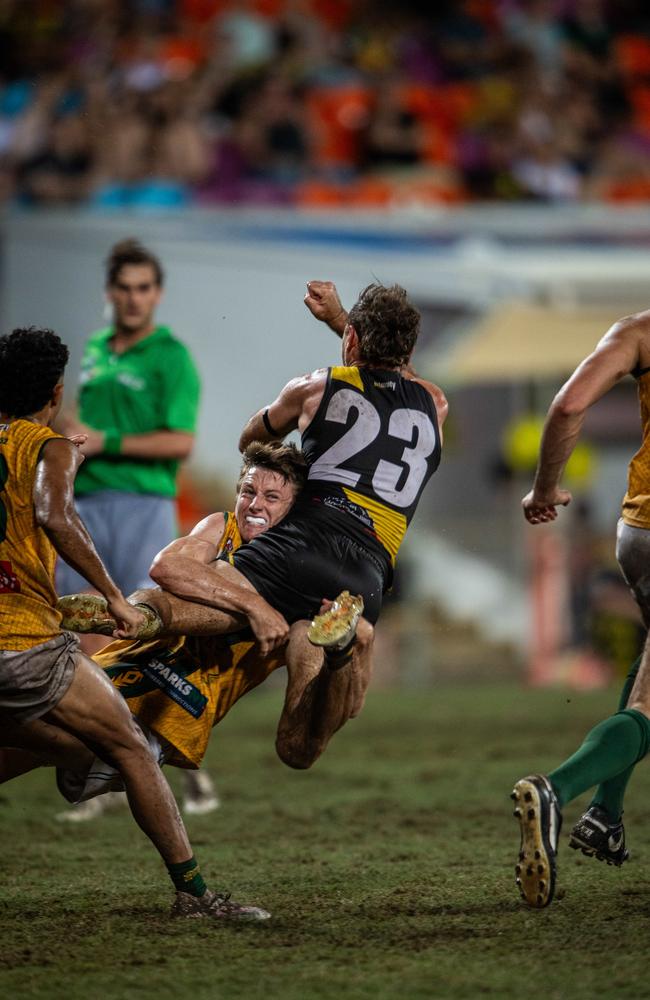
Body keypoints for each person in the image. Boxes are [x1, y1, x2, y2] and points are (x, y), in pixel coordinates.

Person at [0, 326, 268, 921]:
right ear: (55, 390)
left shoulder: (44, 445)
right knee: (131, 748)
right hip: (23, 644)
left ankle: (70, 765)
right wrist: (114, 598)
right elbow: (53, 514)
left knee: (55, 744)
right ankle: (195, 895)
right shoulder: (50, 447)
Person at [61, 279, 448, 684]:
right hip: (368, 574)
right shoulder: (435, 403)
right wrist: (343, 323)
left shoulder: (316, 386)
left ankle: (143, 617)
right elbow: (401, 380)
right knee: (302, 742)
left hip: (303, 543)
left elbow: (250, 441)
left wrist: (282, 441)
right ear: (410, 350)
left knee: (212, 595)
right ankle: (341, 642)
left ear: (352, 338)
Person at [2, 441, 375, 802]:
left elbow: (352, 699)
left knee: (45, 737)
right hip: (117, 671)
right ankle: (132, 614)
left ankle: (128, 613)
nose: (254, 505)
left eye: (272, 497)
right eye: (248, 491)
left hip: (168, 714)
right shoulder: (221, 527)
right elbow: (167, 567)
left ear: (295, 510)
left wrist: (343, 643)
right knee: (22, 725)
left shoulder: (301, 583)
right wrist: (254, 607)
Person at [55, 236, 217, 817]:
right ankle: (87, 770)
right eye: (124, 288)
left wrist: (107, 441)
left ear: (158, 294)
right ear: (110, 292)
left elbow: (181, 441)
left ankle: (179, 763)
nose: (133, 298)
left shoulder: (171, 356)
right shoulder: (97, 349)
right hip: (86, 504)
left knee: (149, 637)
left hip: (144, 505)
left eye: (143, 288)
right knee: (77, 635)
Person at [513, 306, 650, 907]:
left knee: (647, 676)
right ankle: (557, 788)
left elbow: (568, 405)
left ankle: (606, 813)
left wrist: (545, 488)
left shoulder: (638, 330)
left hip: (638, 530)